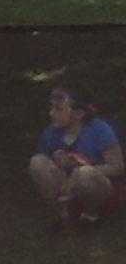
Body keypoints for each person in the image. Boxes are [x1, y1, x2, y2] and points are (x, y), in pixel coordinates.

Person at [28, 81, 118, 229]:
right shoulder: (51, 133)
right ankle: (63, 214)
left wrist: (81, 171)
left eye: (58, 109)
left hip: (97, 187)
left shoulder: (99, 129)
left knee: (85, 174)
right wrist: (57, 159)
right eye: (51, 108)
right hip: (65, 187)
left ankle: (90, 216)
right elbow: (46, 165)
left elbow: (117, 167)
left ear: (78, 114)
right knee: (37, 162)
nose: (51, 113)